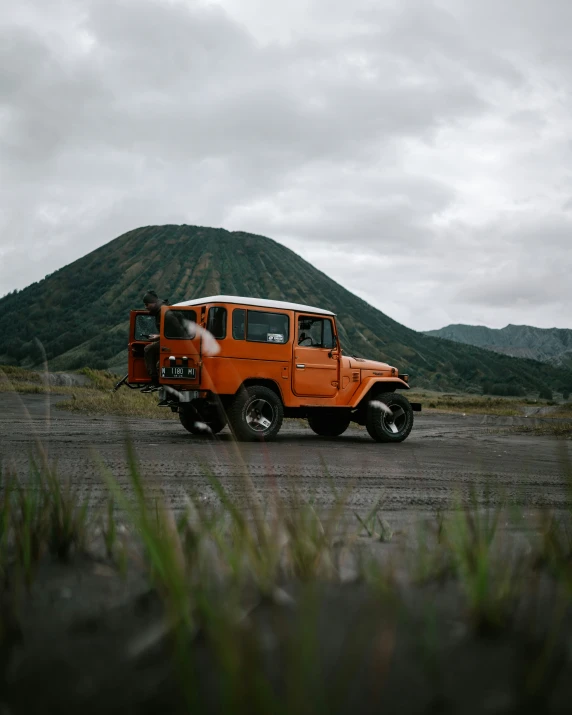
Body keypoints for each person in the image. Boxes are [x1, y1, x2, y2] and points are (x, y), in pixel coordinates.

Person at [141, 290, 167, 391]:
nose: (145, 307)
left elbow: (173, 331)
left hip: (171, 341)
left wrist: (158, 336)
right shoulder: (161, 310)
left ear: (153, 303)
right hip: (169, 340)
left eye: (147, 304)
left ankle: (154, 380)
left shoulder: (163, 311)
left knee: (148, 349)